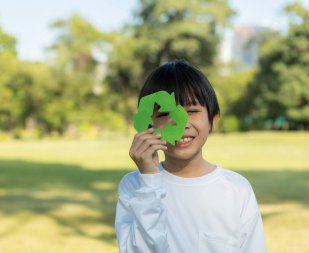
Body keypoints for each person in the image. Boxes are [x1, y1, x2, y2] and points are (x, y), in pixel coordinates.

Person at [114, 60, 267, 253]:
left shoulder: (237, 189)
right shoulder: (135, 186)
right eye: (164, 114)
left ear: (213, 119)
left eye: (192, 111)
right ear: (147, 124)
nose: (180, 123)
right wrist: (149, 181)